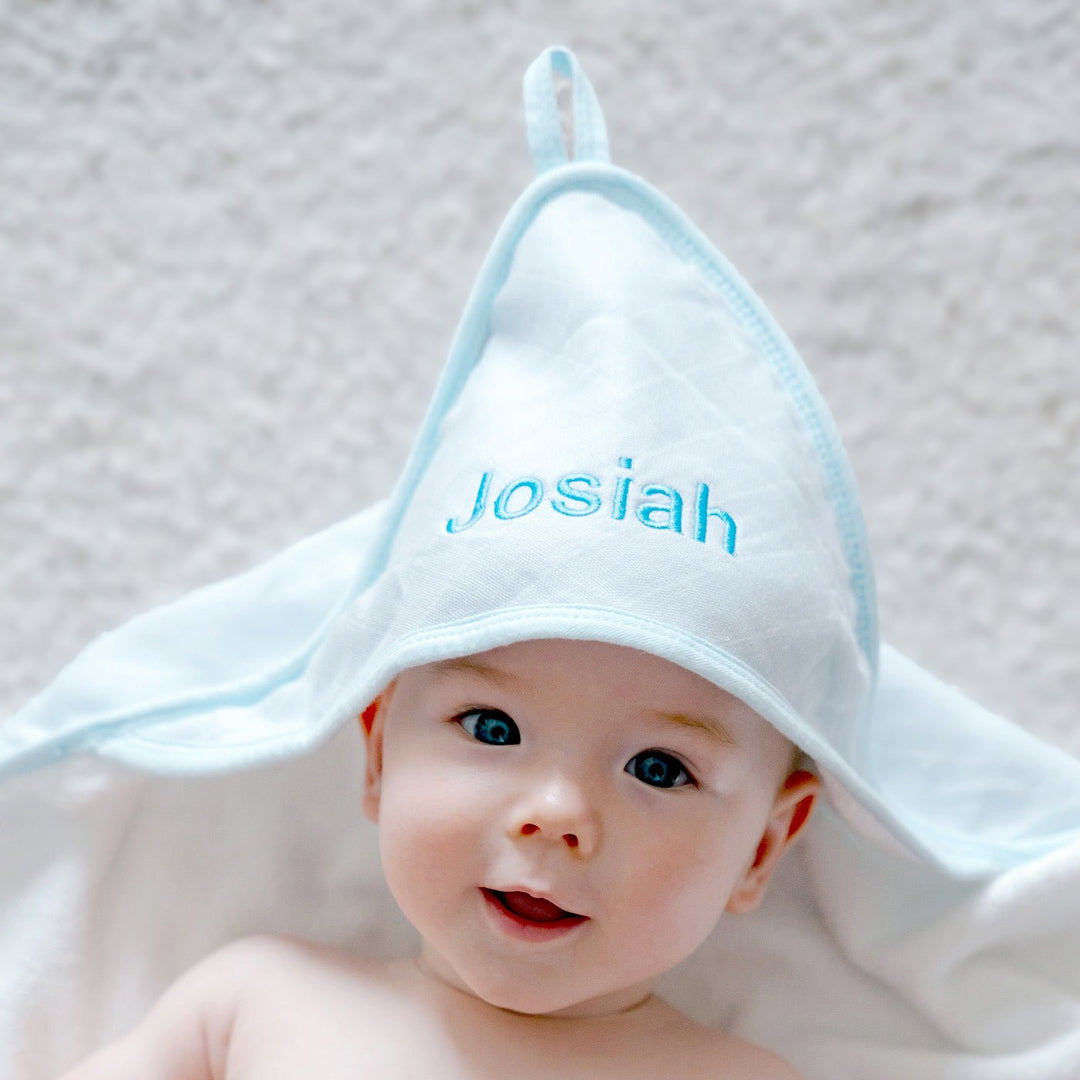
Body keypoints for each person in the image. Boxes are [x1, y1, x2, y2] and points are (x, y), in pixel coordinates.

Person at [61, 638, 819, 1078]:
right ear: (380, 756)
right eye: (492, 727)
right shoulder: (254, 999)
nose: (555, 816)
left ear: (760, 848)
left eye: (658, 768)